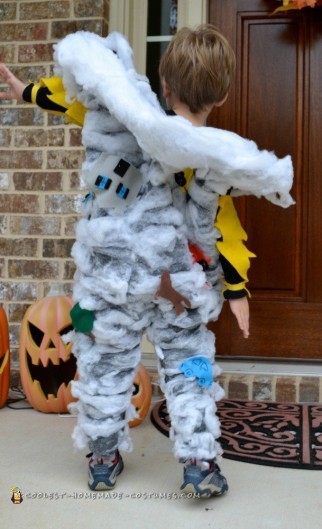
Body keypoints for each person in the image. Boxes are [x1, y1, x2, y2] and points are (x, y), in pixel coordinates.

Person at [0, 25, 293, 498]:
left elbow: (78, 101)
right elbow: (223, 228)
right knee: (188, 366)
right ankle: (199, 462)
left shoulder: (120, 119)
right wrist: (236, 290)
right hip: (173, 284)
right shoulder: (210, 156)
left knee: (105, 366)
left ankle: (101, 457)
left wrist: (26, 90)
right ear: (221, 97)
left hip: (109, 280)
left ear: (165, 84)